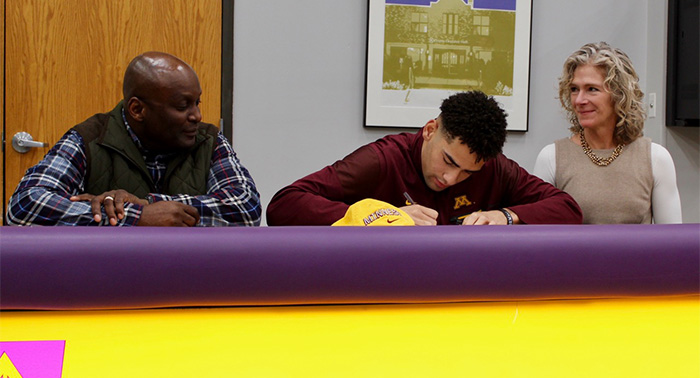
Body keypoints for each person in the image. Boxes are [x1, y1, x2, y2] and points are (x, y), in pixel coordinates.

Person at [6, 52, 261, 227]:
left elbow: (246, 207)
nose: (197, 116)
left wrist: (151, 204)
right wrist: (135, 217)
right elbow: (24, 206)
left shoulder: (208, 140)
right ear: (137, 110)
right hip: (107, 285)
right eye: (183, 106)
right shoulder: (91, 138)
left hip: (188, 283)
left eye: (197, 103)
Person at [267, 91, 582, 226]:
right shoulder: (383, 159)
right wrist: (380, 216)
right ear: (430, 130)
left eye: (467, 173)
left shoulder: (494, 168)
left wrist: (505, 216)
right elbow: (284, 204)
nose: (450, 179)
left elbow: (567, 209)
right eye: (448, 161)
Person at [533, 42, 682, 224]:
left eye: (592, 89)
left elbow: (671, 242)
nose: (579, 100)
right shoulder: (551, 158)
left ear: (619, 95)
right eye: (574, 89)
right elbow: (539, 241)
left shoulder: (655, 158)